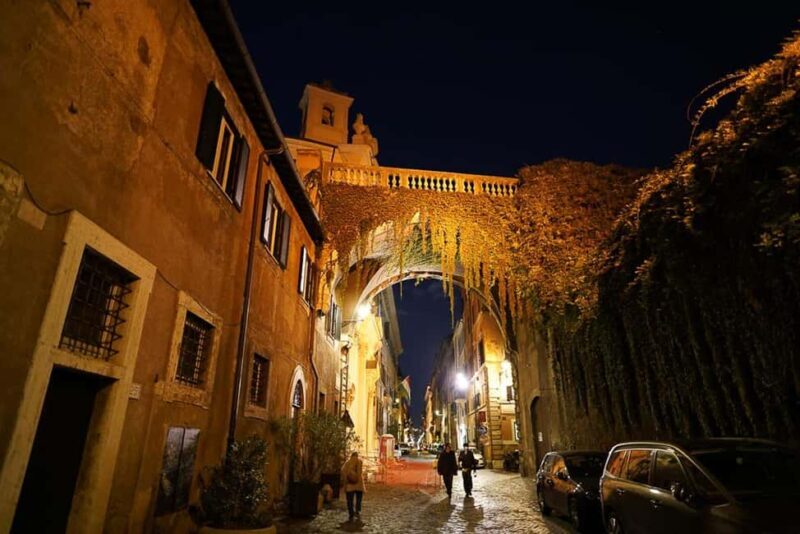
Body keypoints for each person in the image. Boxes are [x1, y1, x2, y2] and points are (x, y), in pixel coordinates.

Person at [340, 451, 365, 522]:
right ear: (357, 456)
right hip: (359, 484)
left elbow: (342, 470)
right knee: (359, 498)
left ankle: (351, 513)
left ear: (351, 456)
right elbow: (360, 473)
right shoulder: (360, 461)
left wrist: (346, 478)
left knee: (350, 500)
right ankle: (358, 510)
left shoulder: (347, 463)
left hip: (350, 484)